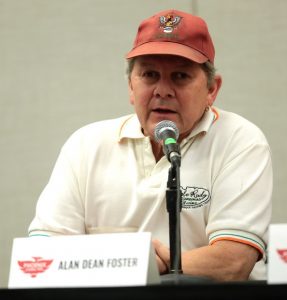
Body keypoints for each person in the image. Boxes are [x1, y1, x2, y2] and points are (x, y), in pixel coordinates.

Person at [28, 9, 273, 281]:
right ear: (131, 87)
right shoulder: (85, 145)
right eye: (149, 75)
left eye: (180, 76)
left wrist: (140, 264)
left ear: (212, 89)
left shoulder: (240, 140)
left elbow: (232, 262)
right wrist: (139, 262)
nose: (162, 90)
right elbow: (43, 257)